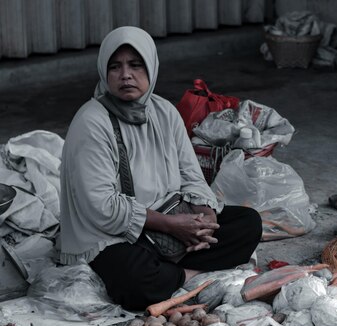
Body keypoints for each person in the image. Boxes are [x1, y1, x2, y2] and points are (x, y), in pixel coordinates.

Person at [57, 26, 262, 310]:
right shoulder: (92, 122)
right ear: (104, 73)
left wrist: (204, 219)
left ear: (151, 67)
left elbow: (191, 175)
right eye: (115, 67)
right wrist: (171, 226)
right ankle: (187, 275)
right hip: (115, 234)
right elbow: (100, 207)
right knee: (134, 278)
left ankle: (171, 274)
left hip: (170, 223)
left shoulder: (164, 112)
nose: (125, 74)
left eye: (135, 65)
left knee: (248, 224)